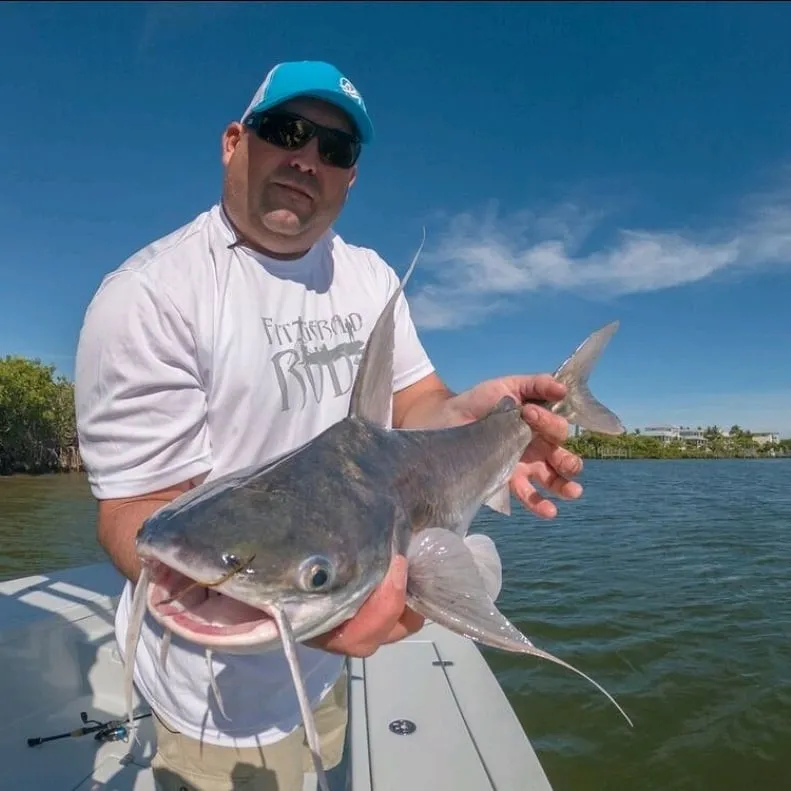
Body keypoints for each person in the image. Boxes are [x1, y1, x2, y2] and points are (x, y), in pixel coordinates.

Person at [74, 60, 585, 791]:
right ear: (232, 141)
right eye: (285, 131)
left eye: (335, 149)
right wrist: (316, 593)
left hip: (326, 659)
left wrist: (483, 423)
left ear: (350, 178)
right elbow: (131, 511)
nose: (306, 157)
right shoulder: (147, 298)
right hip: (217, 693)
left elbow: (416, 408)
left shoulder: (370, 275)